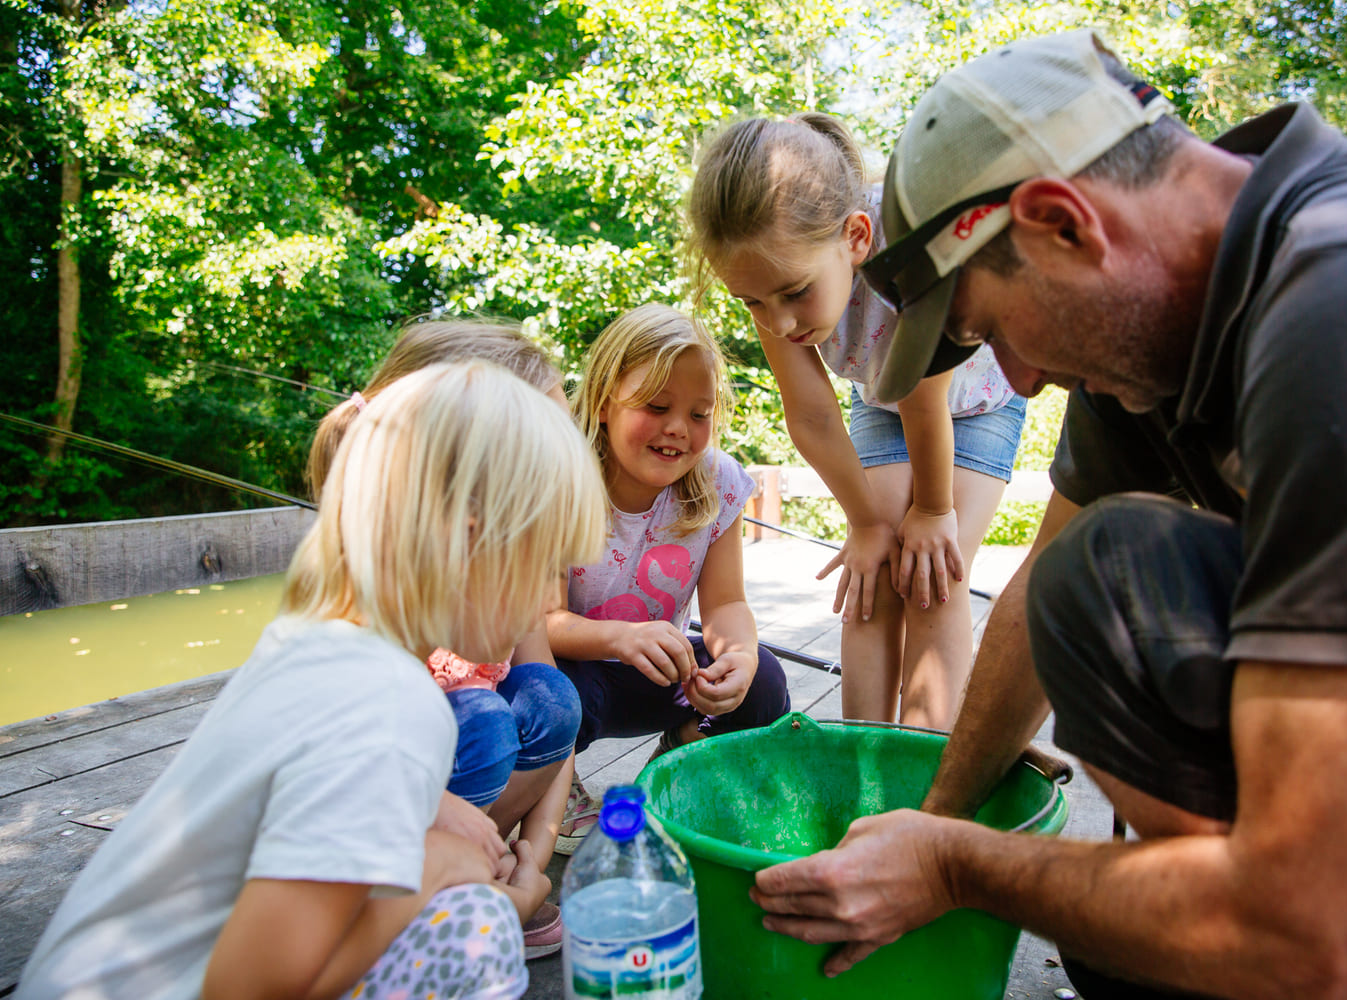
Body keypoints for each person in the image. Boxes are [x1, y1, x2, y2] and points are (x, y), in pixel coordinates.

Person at [750, 28, 1347, 999]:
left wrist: (957, 867)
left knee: (1157, 919)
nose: (1016, 378)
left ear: (1063, 222)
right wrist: (941, 816)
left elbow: (1335, 935)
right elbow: (1041, 591)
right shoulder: (1169, 334)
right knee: (1097, 581)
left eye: (987, 329)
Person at [18, 360, 609, 1000]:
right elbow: (250, 987)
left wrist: (430, 810)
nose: (545, 602)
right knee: (477, 923)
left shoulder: (318, 645)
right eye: (545, 562)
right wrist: (433, 872)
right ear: (468, 546)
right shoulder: (392, 705)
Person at [686, 112, 1027, 729]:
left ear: (857, 237)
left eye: (793, 293)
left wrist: (931, 511)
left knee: (933, 575)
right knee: (876, 568)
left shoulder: (909, 253)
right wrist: (867, 524)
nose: (780, 323)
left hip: (976, 402)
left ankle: (921, 776)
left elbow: (928, 401)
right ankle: (862, 763)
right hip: (883, 399)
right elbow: (811, 415)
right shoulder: (773, 274)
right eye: (753, 303)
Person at [306, 316, 583, 957]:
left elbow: (555, 714)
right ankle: (443, 895)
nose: (550, 596)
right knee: (482, 718)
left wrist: (532, 859)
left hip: (402, 833)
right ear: (459, 524)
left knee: (548, 696)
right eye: (537, 544)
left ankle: (476, 873)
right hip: (333, 898)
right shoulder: (347, 656)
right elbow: (268, 965)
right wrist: (432, 852)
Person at [548, 304, 790, 799]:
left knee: (763, 680)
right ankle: (553, 787)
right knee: (545, 692)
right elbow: (541, 619)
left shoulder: (718, 483)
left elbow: (724, 605)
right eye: (657, 408)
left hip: (664, 673)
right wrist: (618, 638)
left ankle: (677, 761)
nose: (679, 427)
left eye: (699, 414)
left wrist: (739, 657)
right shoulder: (559, 477)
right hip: (574, 673)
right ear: (603, 402)